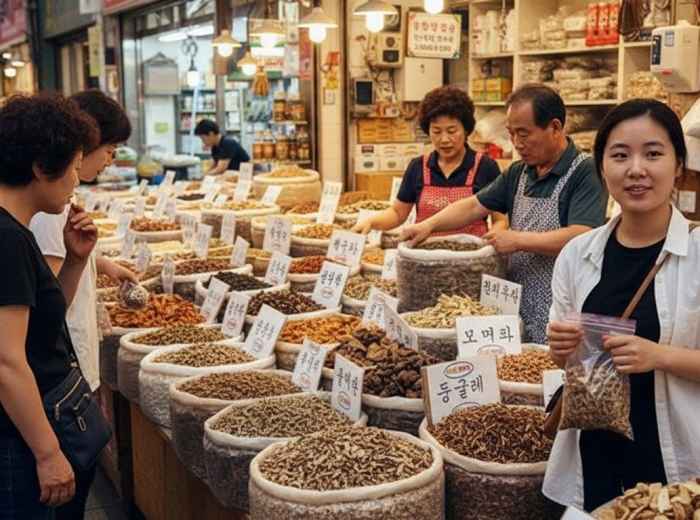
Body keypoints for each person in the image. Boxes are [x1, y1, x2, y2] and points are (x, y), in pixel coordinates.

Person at [544, 99, 700, 512]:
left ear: (678, 165)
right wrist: (560, 351)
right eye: (619, 155)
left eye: (653, 153)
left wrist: (659, 356)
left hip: (678, 463)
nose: (636, 169)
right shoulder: (577, 255)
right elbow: (569, 363)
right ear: (602, 168)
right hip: (596, 452)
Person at [401, 84, 607, 343]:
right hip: (516, 298)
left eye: (524, 134)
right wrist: (429, 225)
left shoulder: (585, 172)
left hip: (562, 306)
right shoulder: (519, 171)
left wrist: (518, 240)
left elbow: (582, 236)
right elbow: (475, 205)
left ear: (555, 127)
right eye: (511, 134)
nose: (517, 143)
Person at [28, 89, 136, 520]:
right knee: (72, 485)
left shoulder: (52, 206)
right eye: (107, 150)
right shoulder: (51, 210)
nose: (109, 160)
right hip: (61, 367)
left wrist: (100, 262)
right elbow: (47, 305)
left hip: (63, 364)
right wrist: (47, 452)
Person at [0, 93, 100, 519]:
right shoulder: (8, 240)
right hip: (17, 445)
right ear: (42, 167)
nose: (78, 179)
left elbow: (40, 324)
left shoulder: (16, 233)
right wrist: (47, 454)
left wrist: (75, 260)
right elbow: (6, 362)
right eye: (76, 166)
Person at [353, 85, 506, 237]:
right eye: (436, 131)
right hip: (424, 255)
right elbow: (398, 213)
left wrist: (494, 235)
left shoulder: (486, 166)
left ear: (466, 130)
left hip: (471, 256)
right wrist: (371, 222)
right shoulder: (418, 167)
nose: (444, 139)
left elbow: (500, 219)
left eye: (452, 131)